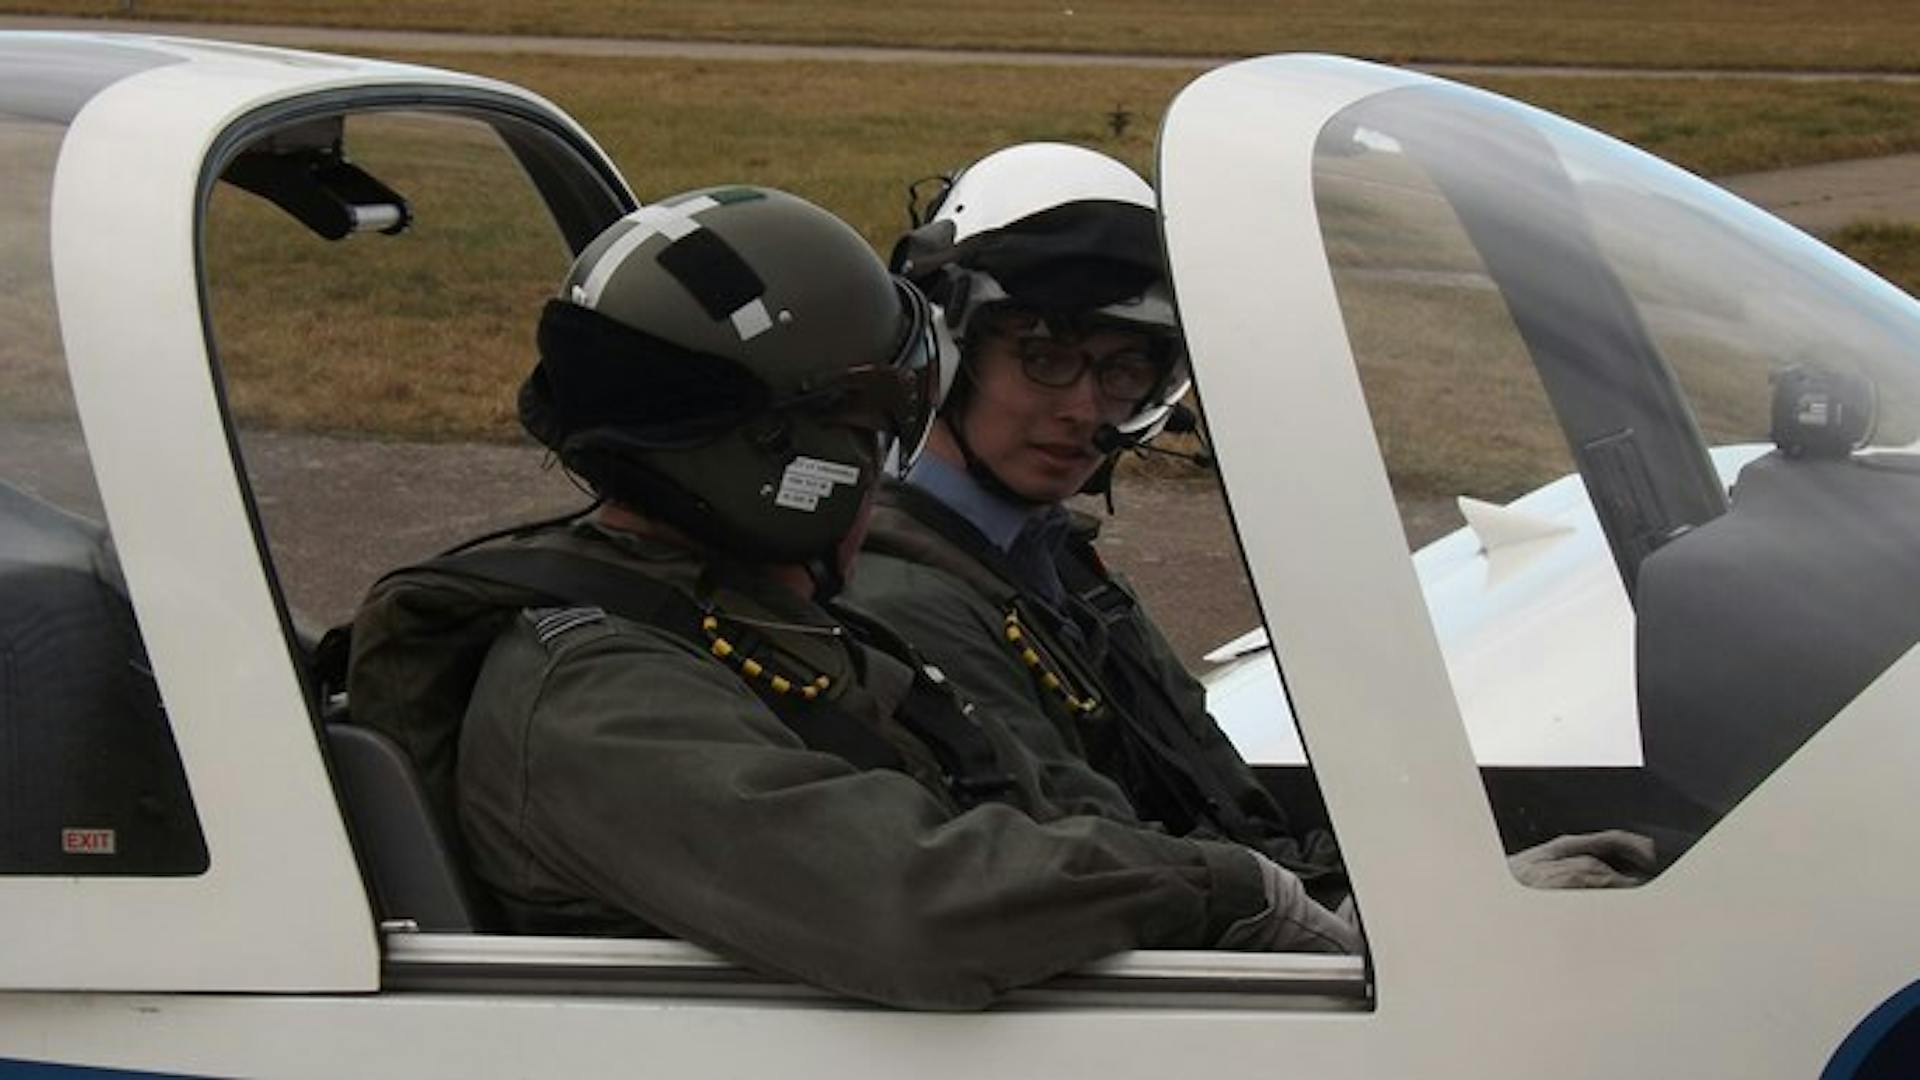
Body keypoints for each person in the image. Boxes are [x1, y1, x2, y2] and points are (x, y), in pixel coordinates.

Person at [346, 185, 1357, 1013]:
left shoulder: (765, 614)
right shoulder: (591, 700)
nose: (887, 470)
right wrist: (1222, 891)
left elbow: (1042, 803)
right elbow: (916, 906)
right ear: (798, 459)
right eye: (876, 428)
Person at [846, 143, 1657, 896]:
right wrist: (1446, 903)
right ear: (950, 349)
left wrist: (1462, 878)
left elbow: (1225, 816)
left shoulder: (1046, 562)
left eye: (1128, 366)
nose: (1085, 409)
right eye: (1046, 356)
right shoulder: (906, 598)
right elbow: (1111, 877)